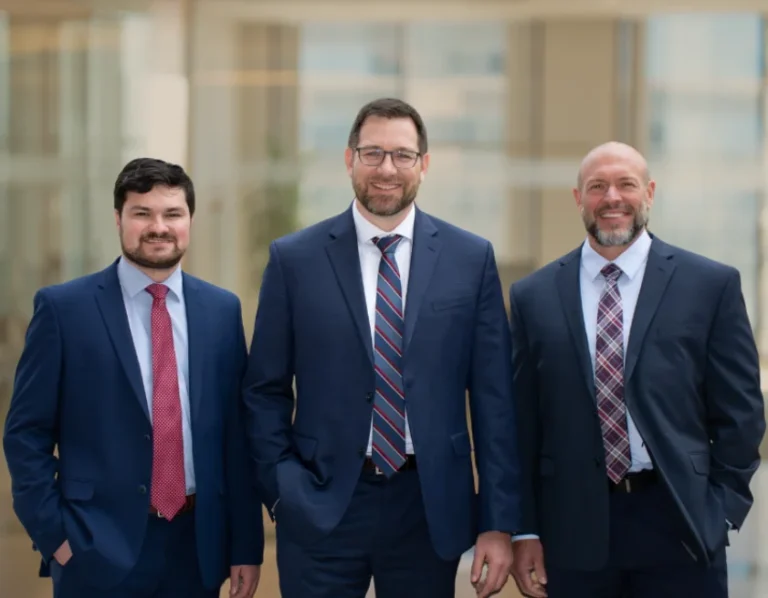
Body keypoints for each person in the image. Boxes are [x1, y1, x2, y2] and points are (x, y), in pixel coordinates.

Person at [243, 97, 521, 598]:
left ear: (424, 165)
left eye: (402, 155)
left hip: (429, 506)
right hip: (321, 502)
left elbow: (495, 402)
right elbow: (264, 390)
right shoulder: (295, 259)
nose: (386, 168)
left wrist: (498, 522)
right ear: (349, 160)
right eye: (372, 153)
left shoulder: (470, 258)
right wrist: (284, 492)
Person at [508, 141, 765, 598]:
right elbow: (522, 426)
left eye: (626, 184)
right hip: (571, 530)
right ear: (577, 198)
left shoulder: (709, 285)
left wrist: (719, 509)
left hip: (679, 523)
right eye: (597, 186)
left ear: (648, 192)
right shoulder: (534, 296)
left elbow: (741, 412)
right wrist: (524, 530)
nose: (612, 198)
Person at [3, 158, 263, 598]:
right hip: (93, 547)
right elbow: (25, 435)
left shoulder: (222, 311)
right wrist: (57, 540)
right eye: (142, 213)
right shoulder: (65, 310)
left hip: (196, 549)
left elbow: (236, 439)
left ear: (190, 221)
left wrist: (245, 546)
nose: (157, 226)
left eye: (172, 214)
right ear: (118, 218)